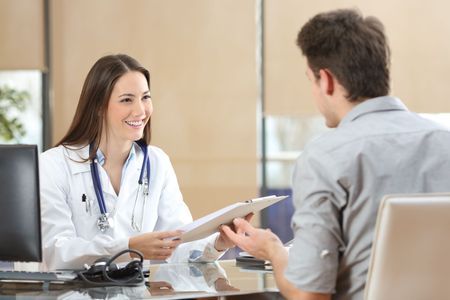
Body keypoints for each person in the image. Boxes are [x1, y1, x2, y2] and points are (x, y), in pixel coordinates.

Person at [222, 8, 450, 300]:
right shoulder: (444, 141)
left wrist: (273, 250)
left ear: (326, 80)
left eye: (310, 80)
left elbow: (309, 295)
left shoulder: (326, 156)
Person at [40, 54, 239, 270]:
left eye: (145, 97)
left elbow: (179, 244)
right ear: (98, 106)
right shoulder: (53, 166)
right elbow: (56, 252)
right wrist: (127, 247)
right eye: (127, 99)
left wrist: (218, 244)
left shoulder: (157, 162)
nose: (140, 111)